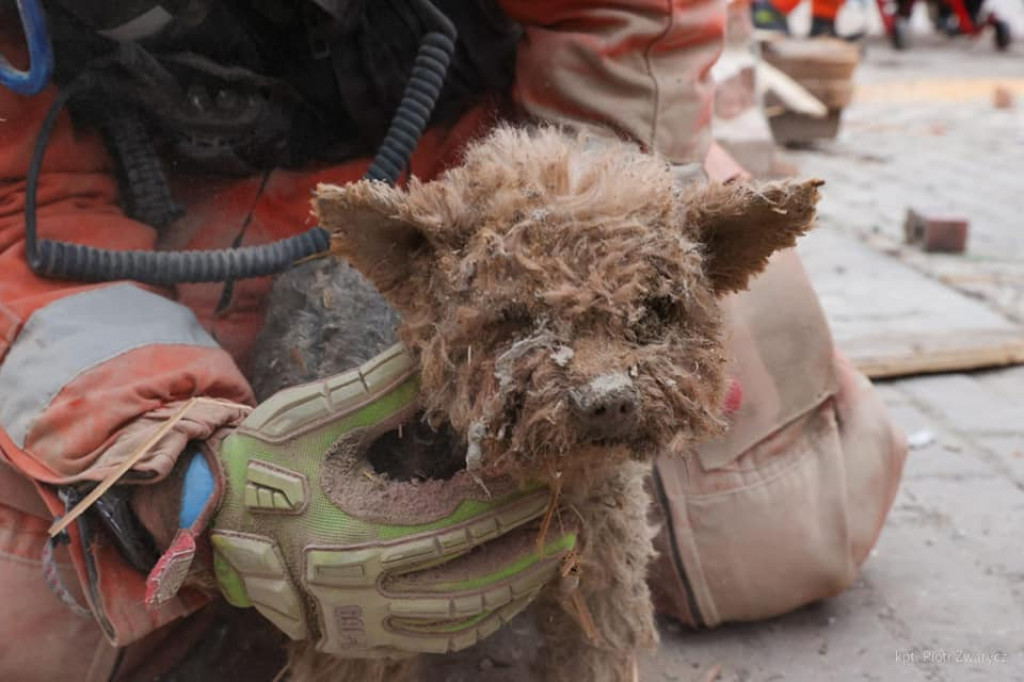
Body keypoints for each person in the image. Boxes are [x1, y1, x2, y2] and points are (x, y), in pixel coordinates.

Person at [0, 1, 905, 680]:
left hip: (506, 155)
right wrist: (166, 460)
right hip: (152, 219)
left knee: (773, 524)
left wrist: (583, 212)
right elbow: (13, 213)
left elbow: (626, 22)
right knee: (39, 616)